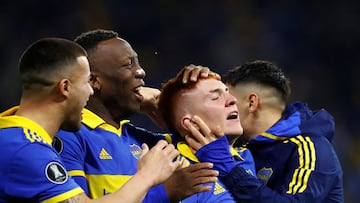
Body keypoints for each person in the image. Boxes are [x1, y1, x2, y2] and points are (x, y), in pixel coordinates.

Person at [0, 38, 180, 203]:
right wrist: (148, 175)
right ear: (65, 87)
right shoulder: (26, 148)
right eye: (86, 82)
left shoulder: (13, 137)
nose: (91, 92)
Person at [55, 29, 220, 202]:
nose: (141, 71)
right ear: (94, 81)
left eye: (137, 63)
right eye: (128, 65)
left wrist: (189, 94)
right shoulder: (69, 136)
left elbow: (213, 140)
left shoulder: (143, 140)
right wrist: (165, 192)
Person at [185, 60, 344, 202]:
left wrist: (229, 169)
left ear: (252, 103)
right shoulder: (238, 149)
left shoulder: (310, 148)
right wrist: (175, 101)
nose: (223, 105)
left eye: (227, 98)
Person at [157, 67, 257, 202]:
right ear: (191, 124)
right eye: (215, 97)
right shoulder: (174, 167)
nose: (233, 100)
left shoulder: (246, 156)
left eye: (228, 93)